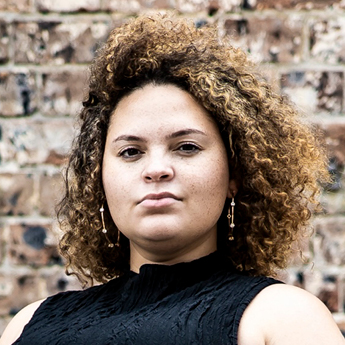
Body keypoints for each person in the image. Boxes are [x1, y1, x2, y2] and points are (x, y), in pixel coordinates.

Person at [1, 12, 344, 345]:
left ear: (235, 175)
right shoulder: (29, 325)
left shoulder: (280, 317)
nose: (156, 169)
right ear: (98, 181)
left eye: (187, 147)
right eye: (131, 152)